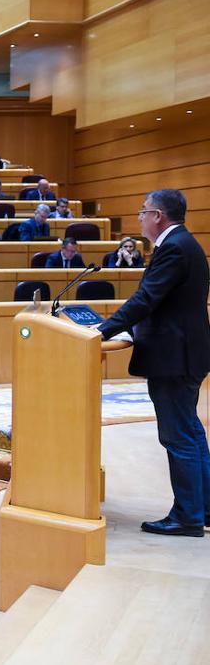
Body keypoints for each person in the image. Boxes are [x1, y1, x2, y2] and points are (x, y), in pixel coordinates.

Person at [97, 190, 210, 536]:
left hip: (174, 358)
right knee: (191, 433)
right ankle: (202, 509)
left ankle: (188, 517)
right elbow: (163, 301)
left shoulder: (174, 247)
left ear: (158, 215)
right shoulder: (185, 243)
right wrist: (128, 327)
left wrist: (104, 328)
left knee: (179, 437)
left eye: (143, 212)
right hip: (186, 353)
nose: (140, 218)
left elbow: (147, 297)